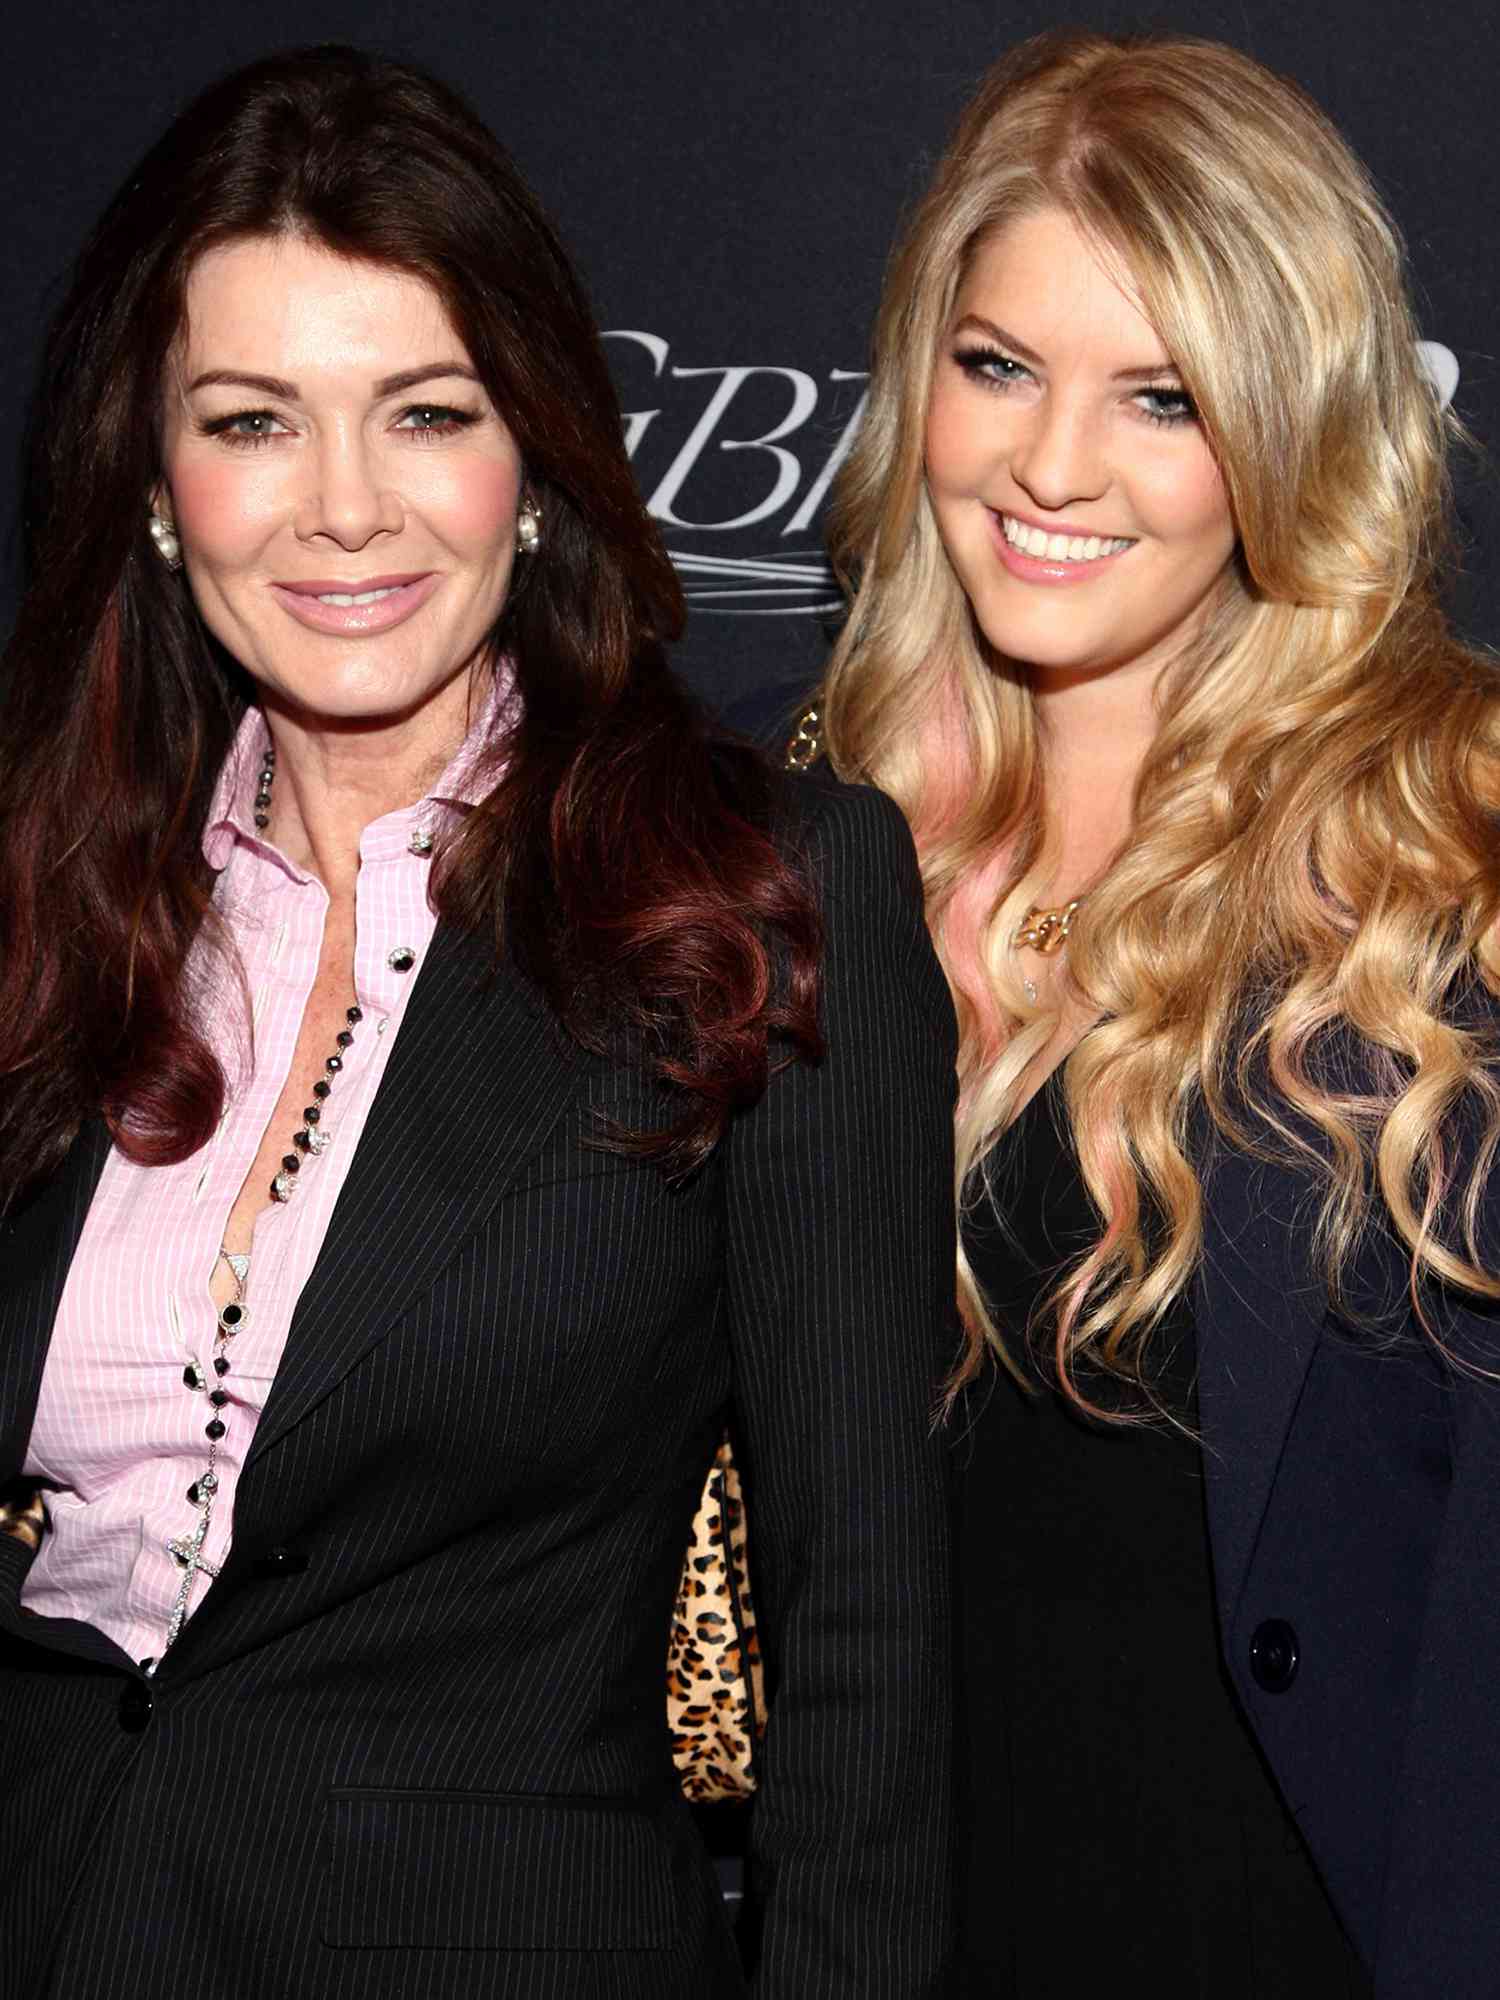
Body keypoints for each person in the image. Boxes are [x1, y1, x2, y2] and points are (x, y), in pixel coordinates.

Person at [0, 47, 957, 2000]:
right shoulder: (54, 890)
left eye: (424, 412)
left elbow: (863, 1630)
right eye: (252, 421)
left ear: (528, 455)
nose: (343, 510)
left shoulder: (763, 885)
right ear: (159, 491)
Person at [769, 27, 1500, 1998]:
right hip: (875, 1927)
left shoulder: (1444, 858)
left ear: (1287, 432)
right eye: (997, 364)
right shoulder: (811, 840)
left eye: (1160, 397)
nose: (1051, 465)